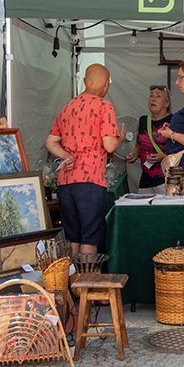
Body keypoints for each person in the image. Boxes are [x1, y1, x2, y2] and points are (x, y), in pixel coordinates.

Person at [45, 64, 124, 255]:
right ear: (106, 84)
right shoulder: (104, 106)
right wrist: (120, 137)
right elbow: (109, 146)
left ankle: (74, 282)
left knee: (73, 236)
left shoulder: (67, 107)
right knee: (90, 235)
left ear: (85, 82)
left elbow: (50, 141)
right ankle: (87, 282)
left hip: (65, 181)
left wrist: (65, 154)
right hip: (90, 179)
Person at [125, 85, 172, 194]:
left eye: (158, 96)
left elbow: (181, 151)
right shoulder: (142, 120)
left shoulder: (173, 121)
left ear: (167, 103)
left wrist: (164, 157)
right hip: (145, 179)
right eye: (151, 96)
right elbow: (138, 146)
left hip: (165, 180)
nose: (153, 99)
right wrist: (133, 154)